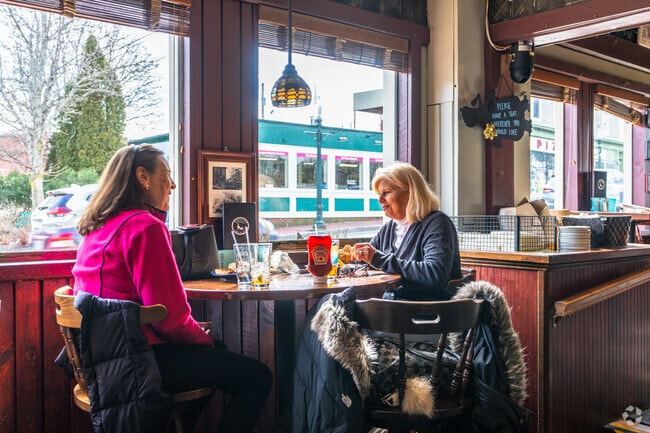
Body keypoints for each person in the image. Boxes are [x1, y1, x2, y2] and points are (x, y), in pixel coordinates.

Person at [72, 144, 272, 433]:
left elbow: (137, 309)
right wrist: (201, 337)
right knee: (257, 377)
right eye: (166, 174)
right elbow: (169, 319)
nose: (173, 184)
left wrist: (192, 333)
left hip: (101, 359)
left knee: (217, 354)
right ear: (143, 177)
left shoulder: (95, 228)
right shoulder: (146, 228)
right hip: (139, 361)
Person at [351, 161, 461, 300]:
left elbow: (434, 274)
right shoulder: (389, 228)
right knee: (331, 300)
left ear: (410, 193)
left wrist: (377, 259)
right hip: (393, 306)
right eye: (379, 193)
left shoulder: (437, 223)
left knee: (338, 307)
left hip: (426, 312)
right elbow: (369, 261)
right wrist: (355, 259)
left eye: (386, 193)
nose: (380, 200)